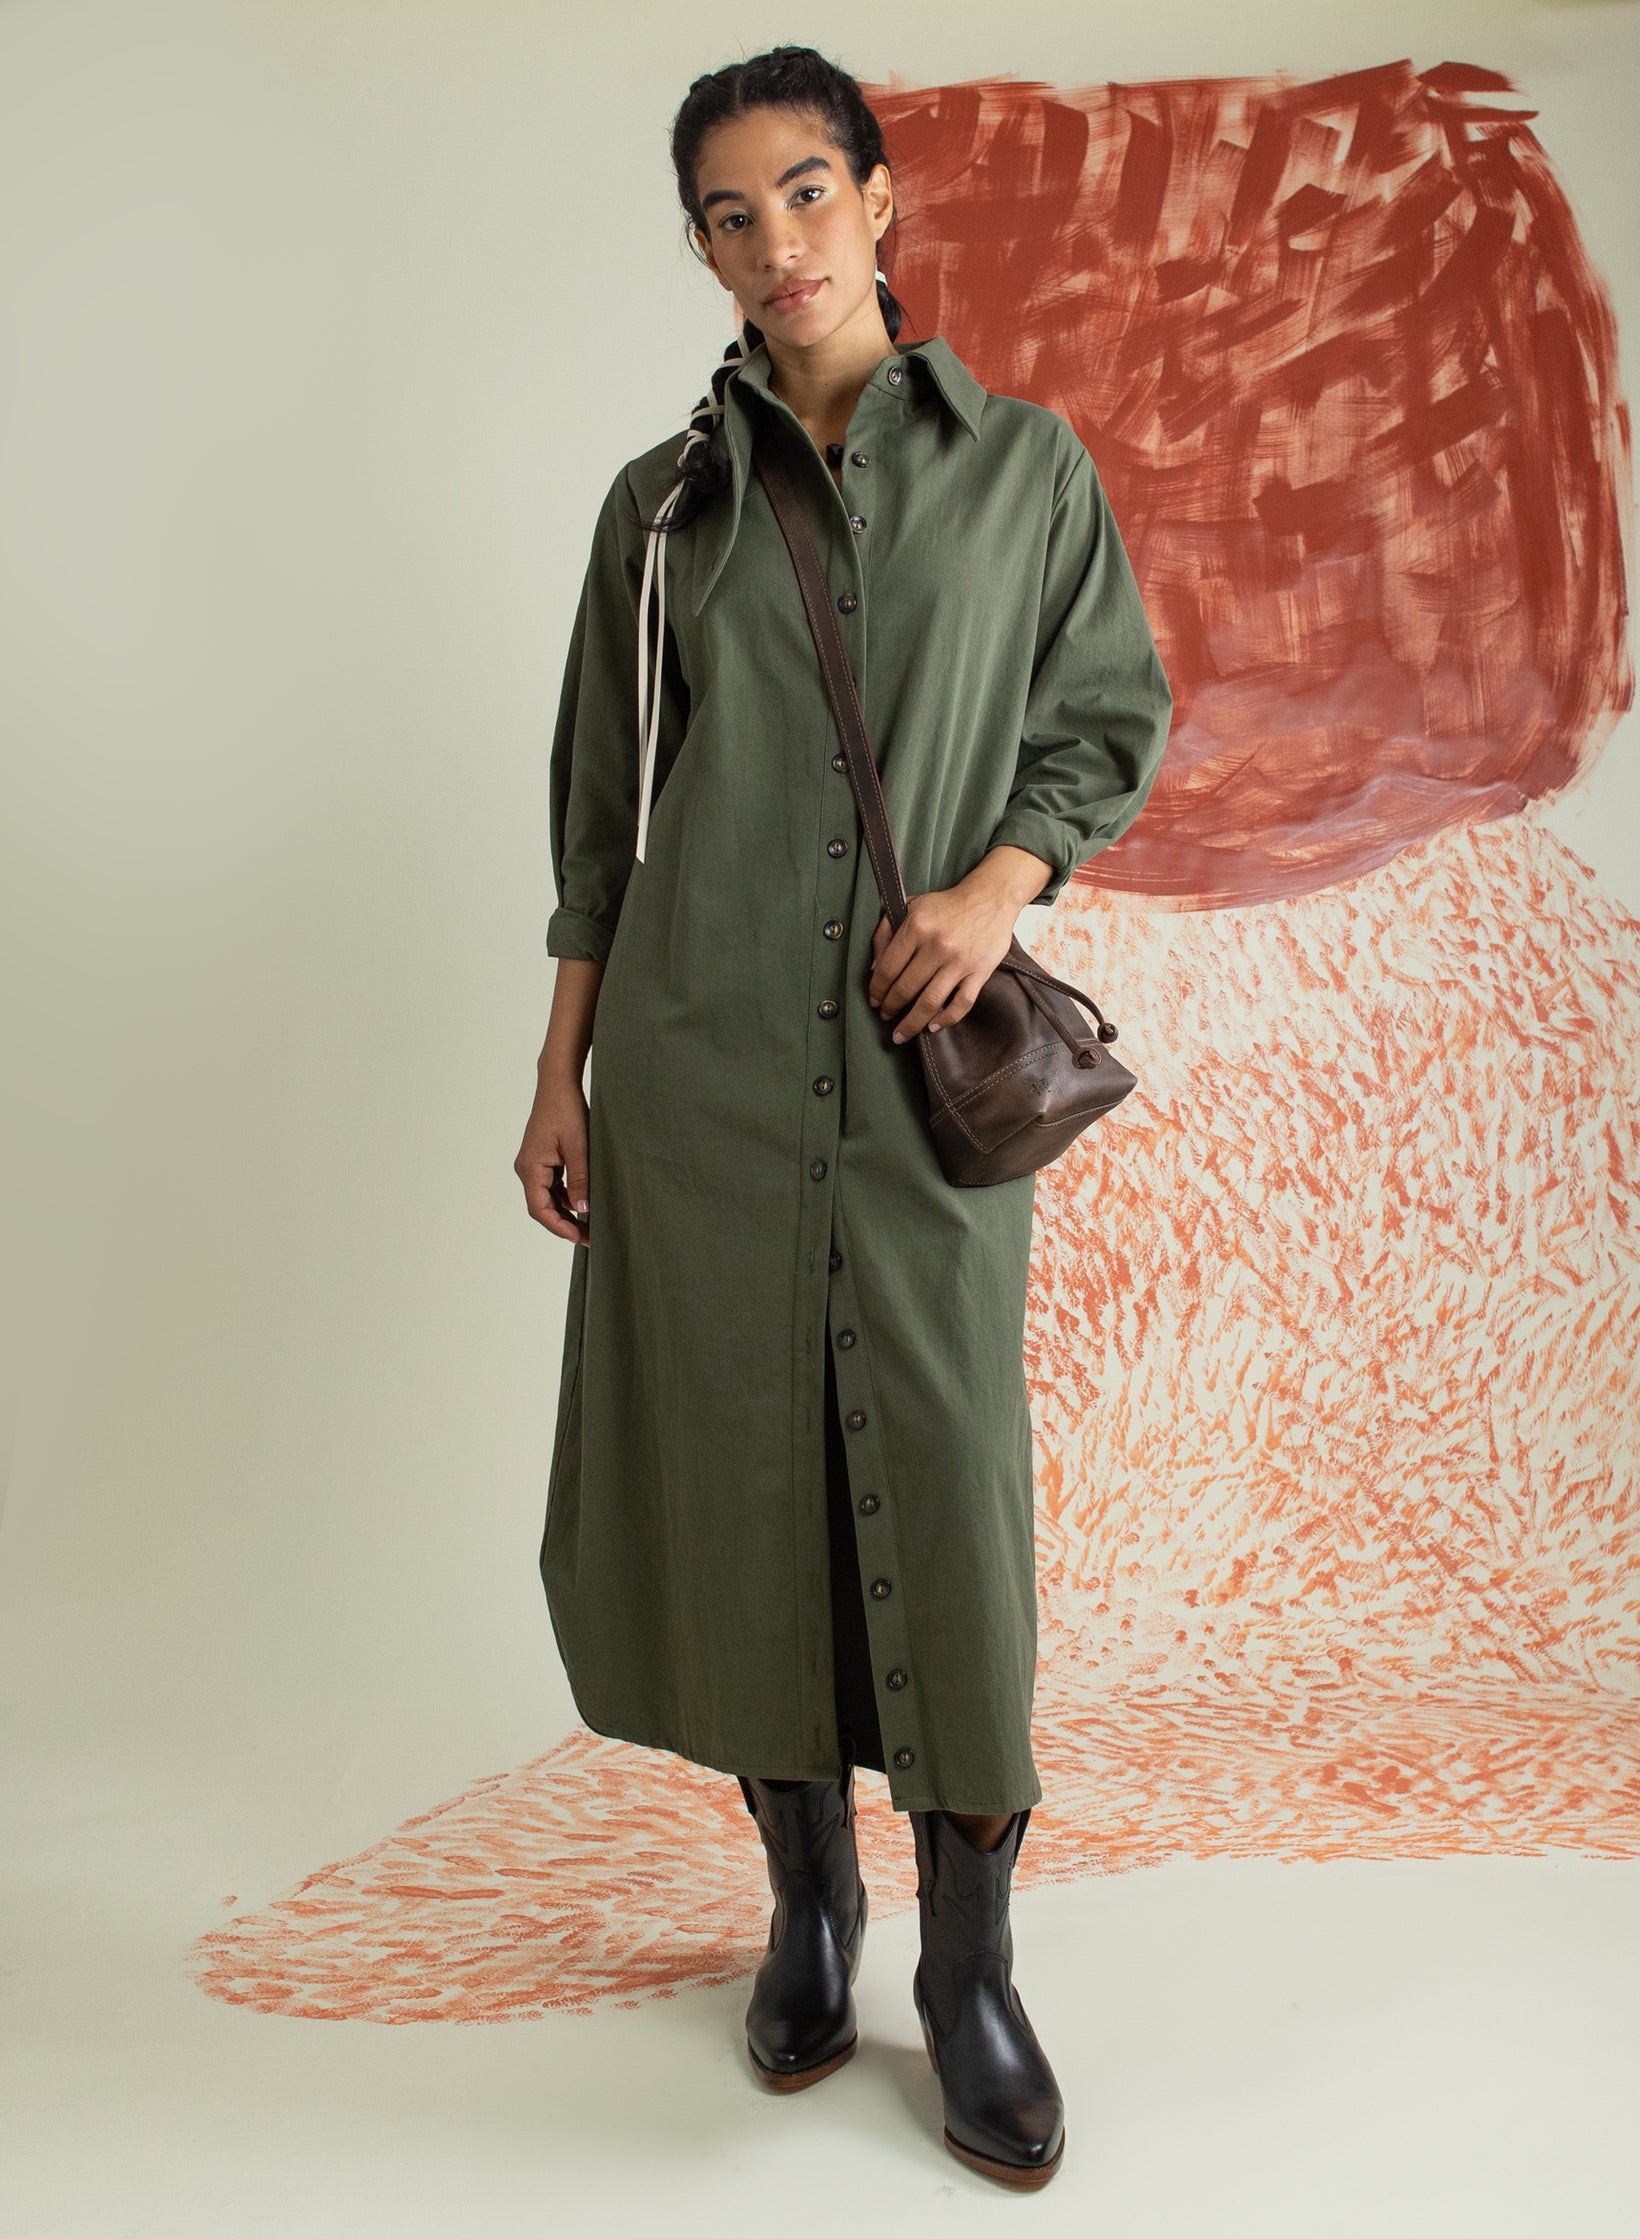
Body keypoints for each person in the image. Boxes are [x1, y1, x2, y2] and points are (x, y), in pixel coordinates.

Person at [514, 44, 1172, 2190]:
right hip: (693, 1077)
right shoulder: (660, 514)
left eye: (807, 192)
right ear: (698, 248)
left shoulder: (1026, 469)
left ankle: (970, 1966)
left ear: (879, 201)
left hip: (915, 1087)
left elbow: (1105, 716)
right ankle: (809, 1905)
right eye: (730, 214)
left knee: (949, 1492)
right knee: (738, 1487)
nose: (775, 241)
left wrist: (996, 891)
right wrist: (560, 1070)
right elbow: (603, 817)